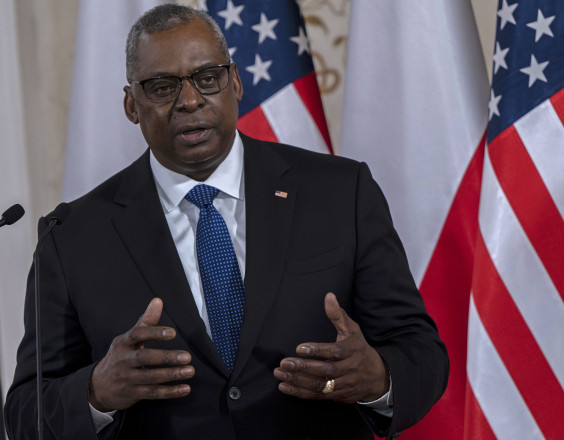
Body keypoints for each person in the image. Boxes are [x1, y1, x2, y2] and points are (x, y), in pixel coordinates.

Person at [4, 5, 448, 440]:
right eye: (162, 87)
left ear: (234, 82)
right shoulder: (70, 236)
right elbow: (26, 413)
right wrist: (96, 392)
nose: (189, 101)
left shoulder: (340, 193)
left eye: (207, 78)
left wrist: (379, 378)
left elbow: (420, 350)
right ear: (131, 104)